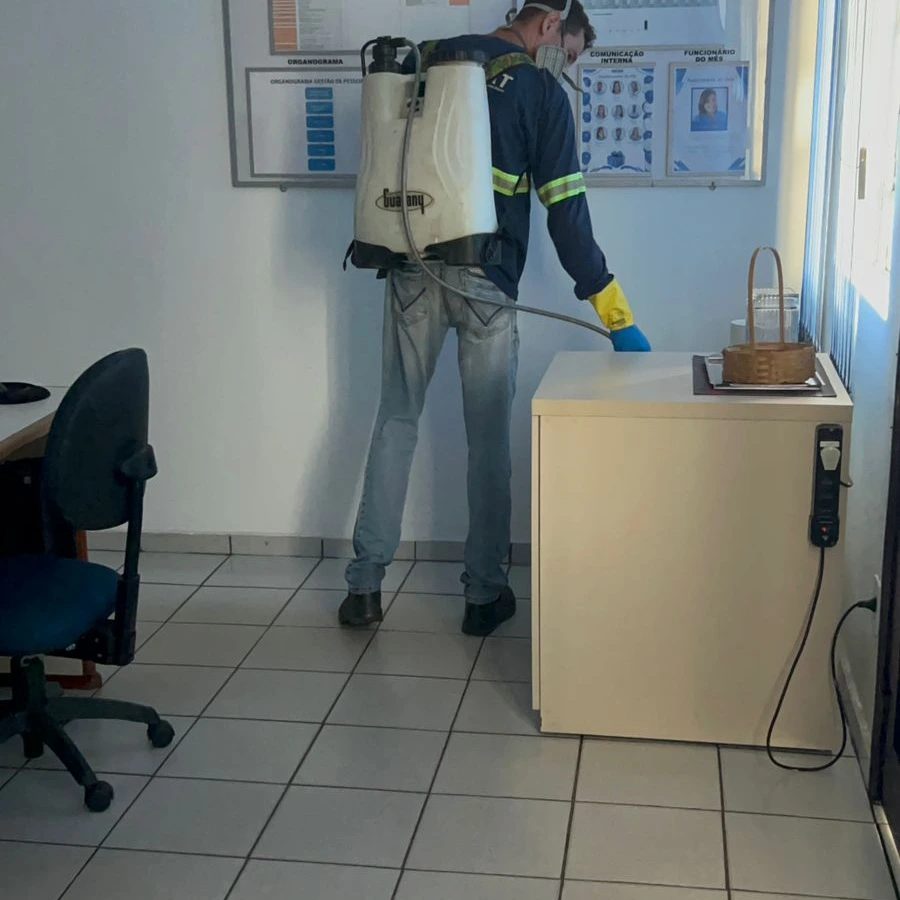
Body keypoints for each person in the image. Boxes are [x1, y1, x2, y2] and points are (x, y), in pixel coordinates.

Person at [340, 0, 651, 636]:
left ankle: (363, 589)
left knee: (395, 419)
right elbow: (567, 217)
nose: (565, 67)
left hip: (410, 270)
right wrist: (615, 313)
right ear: (549, 25)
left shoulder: (431, 62)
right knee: (487, 442)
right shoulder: (541, 92)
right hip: (489, 280)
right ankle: (483, 597)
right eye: (569, 53)